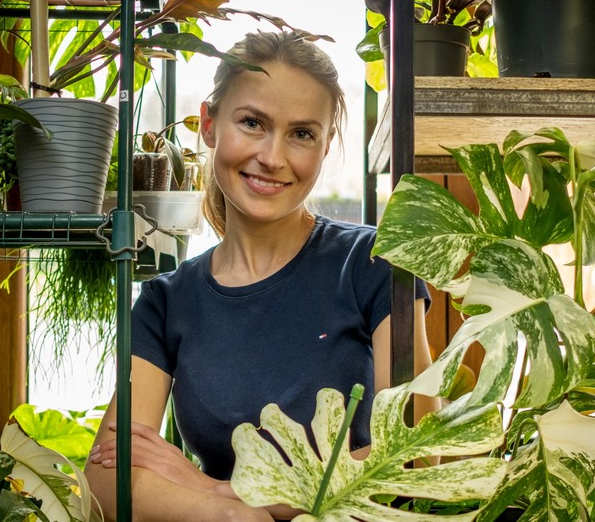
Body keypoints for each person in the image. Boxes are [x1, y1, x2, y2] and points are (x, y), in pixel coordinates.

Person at [85, 30, 435, 522]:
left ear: (326, 143)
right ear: (209, 125)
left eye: (302, 133)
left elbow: (416, 453)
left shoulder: (375, 265)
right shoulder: (167, 301)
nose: (273, 157)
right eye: (252, 122)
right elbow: (103, 479)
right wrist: (230, 517)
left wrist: (224, 492)